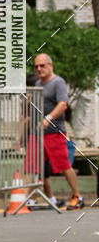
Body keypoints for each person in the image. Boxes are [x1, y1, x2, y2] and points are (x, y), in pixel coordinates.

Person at [28, 54, 83, 210]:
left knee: (64, 166)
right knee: (32, 166)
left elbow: (63, 105)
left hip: (54, 132)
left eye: (42, 65)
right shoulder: (38, 83)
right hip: (38, 133)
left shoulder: (58, 82)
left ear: (50, 65)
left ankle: (77, 196)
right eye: (36, 66)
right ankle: (28, 200)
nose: (39, 69)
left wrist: (48, 119)